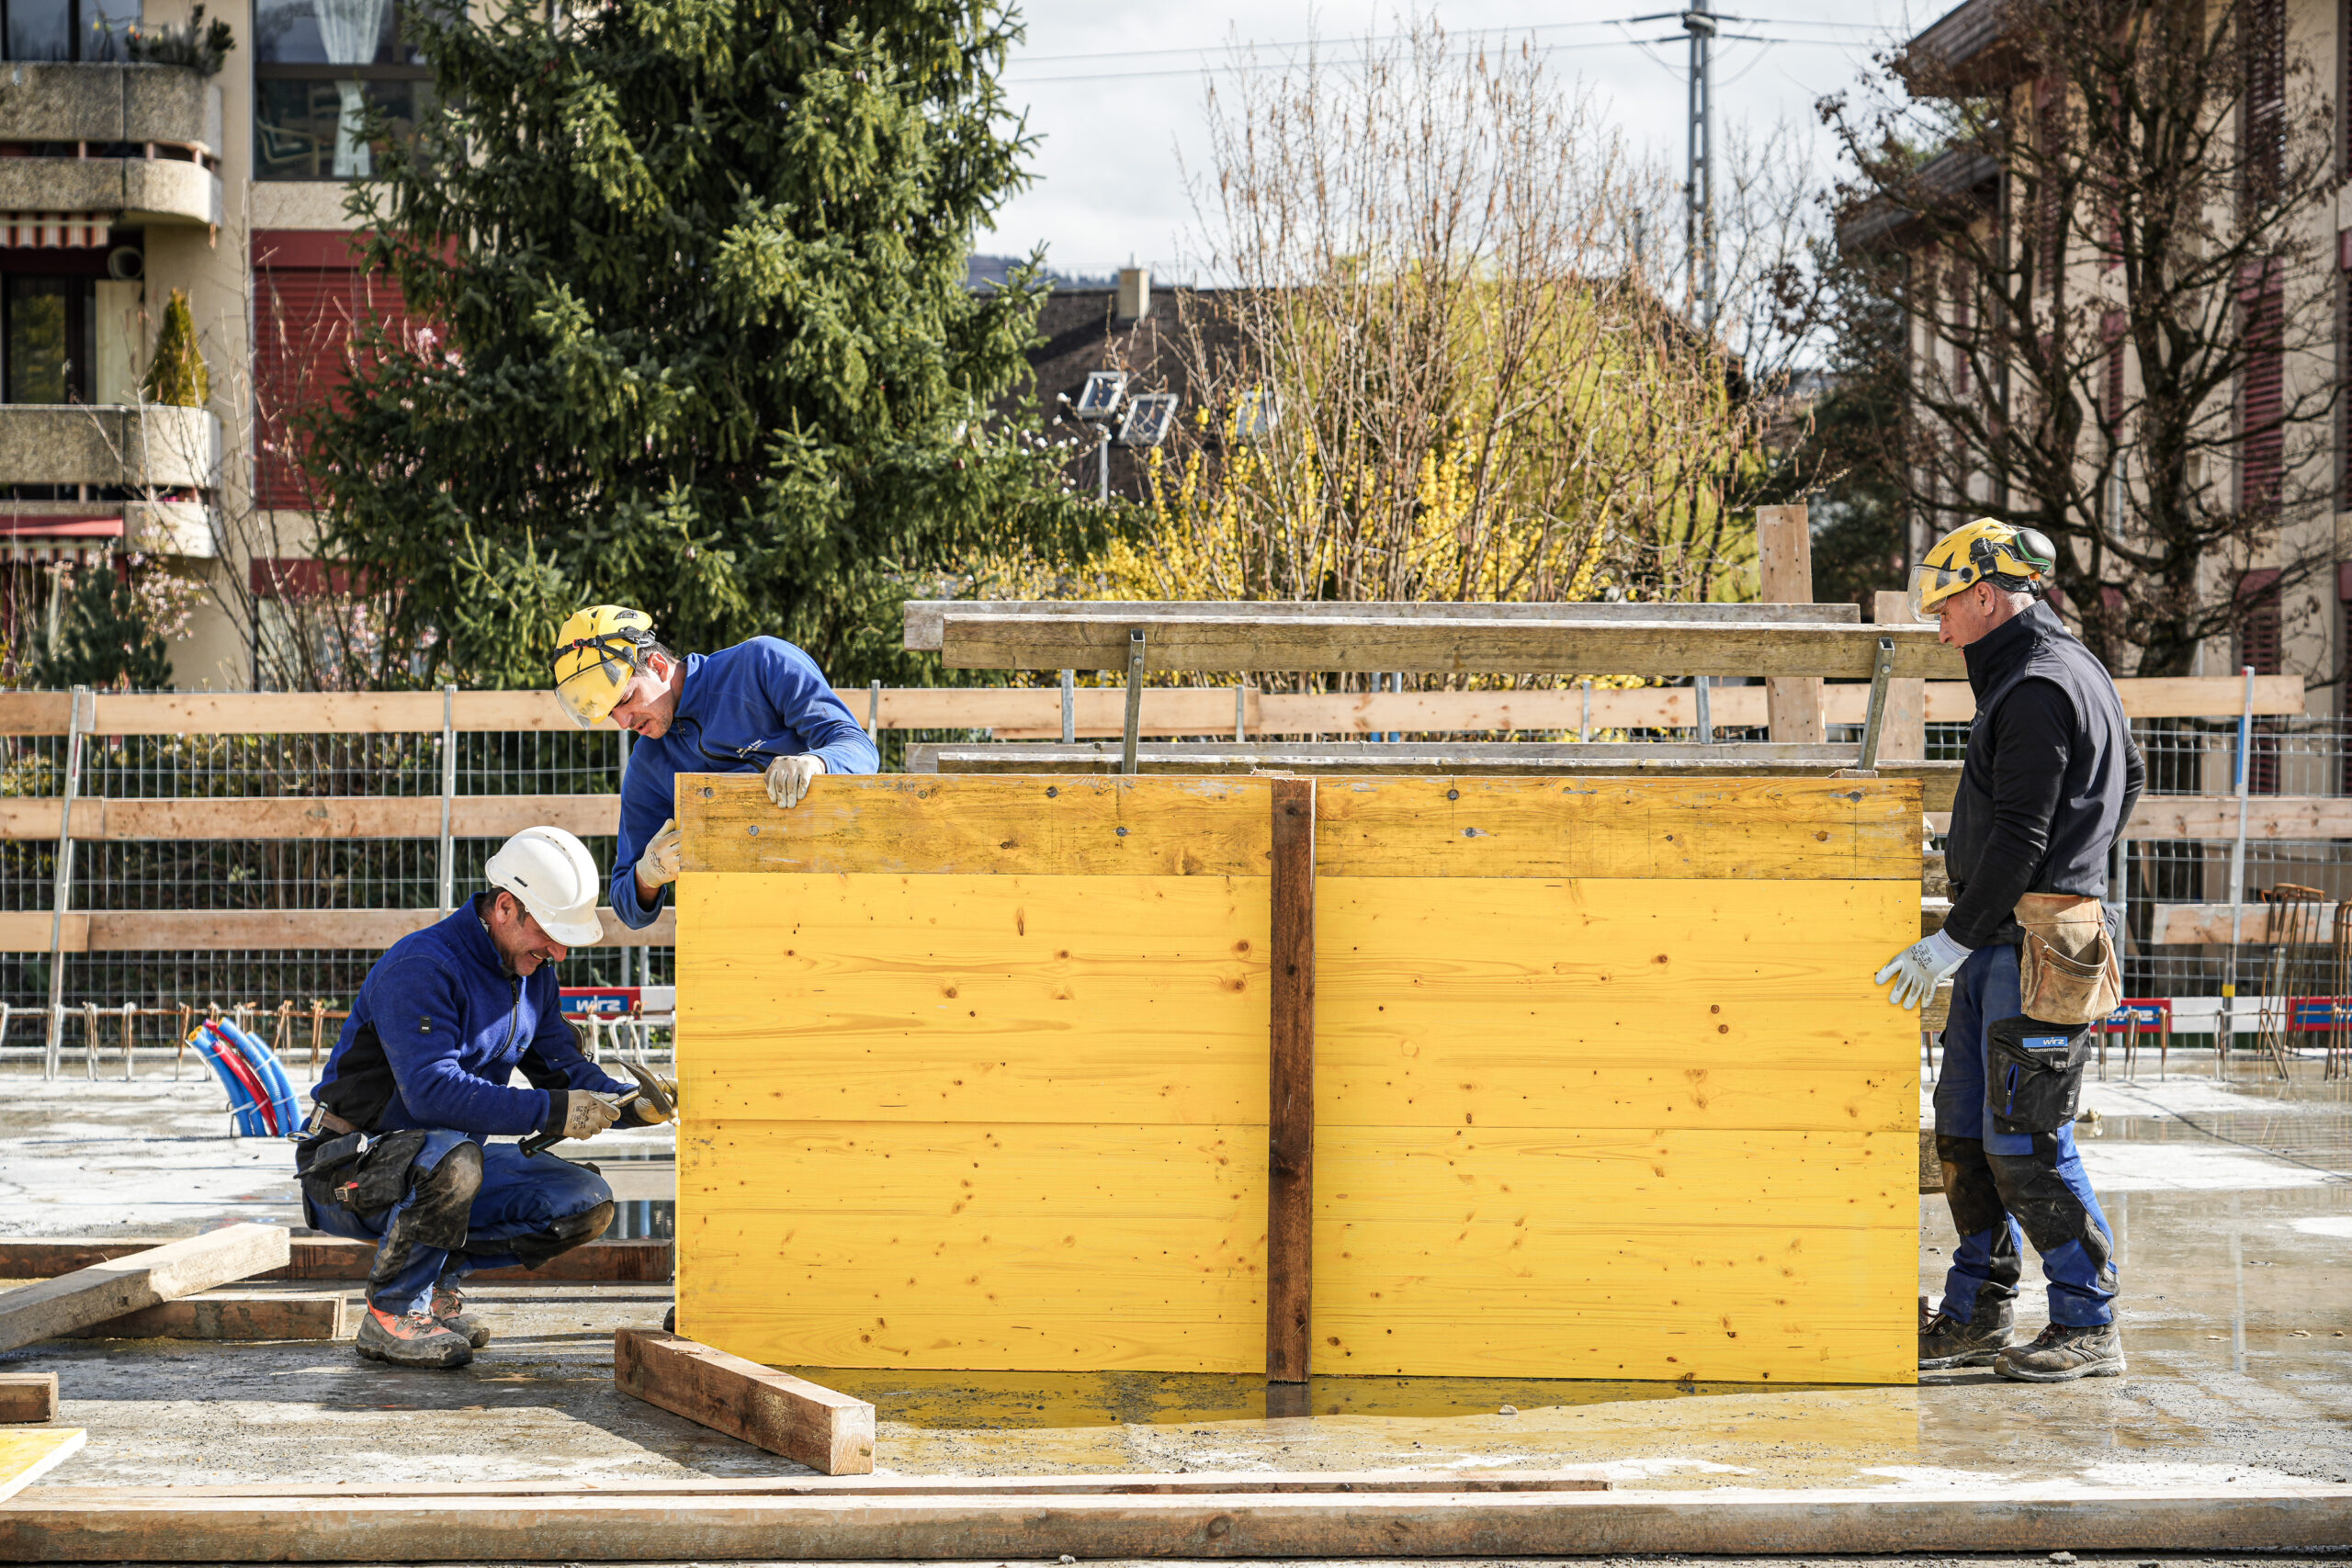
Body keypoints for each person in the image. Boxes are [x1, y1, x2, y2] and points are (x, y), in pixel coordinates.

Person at [1874, 519, 2145, 1383]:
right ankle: (1976, 1310)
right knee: (1964, 1135)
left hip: (2029, 944)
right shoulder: (2066, 673)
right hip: (2005, 940)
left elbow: (2025, 833)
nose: (1939, 625)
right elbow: (2131, 774)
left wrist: (1953, 935)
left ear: (1988, 597)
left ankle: (2087, 1321)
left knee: (2026, 1141)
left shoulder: (2034, 685)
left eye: (1946, 607)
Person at [298, 827, 673, 1370]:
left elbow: (563, 1071)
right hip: (348, 1171)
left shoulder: (531, 974)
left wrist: (635, 1104)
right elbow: (431, 1094)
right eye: (549, 932)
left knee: (582, 1202)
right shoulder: (422, 968)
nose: (559, 951)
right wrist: (554, 1110)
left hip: (441, 1163)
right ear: (505, 907)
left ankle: (435, 1293)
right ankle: (393, 1313)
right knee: (456, 1157)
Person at [548, 606, 878, 930]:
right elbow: (625, 903)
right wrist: (647, 875)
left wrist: (817, 762)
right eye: (610, 715)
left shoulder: (761, 664)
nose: (623, 722)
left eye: (625, 699)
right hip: (736, 930)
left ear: (659, 666)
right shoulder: (647, 766)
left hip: (839, 895)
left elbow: (860, 749)